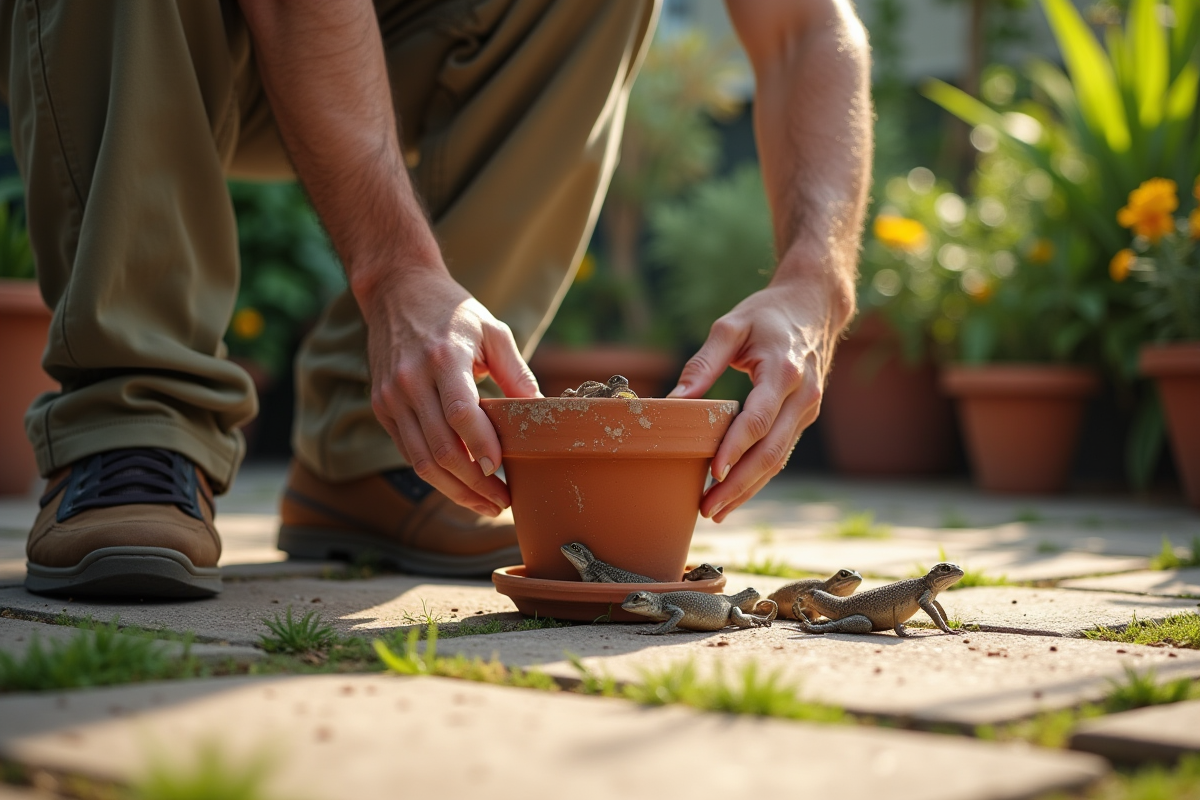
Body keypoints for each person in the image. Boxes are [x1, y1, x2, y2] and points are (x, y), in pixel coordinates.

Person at [2, 0, 870, 598]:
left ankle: (389, 449)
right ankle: (135, 419)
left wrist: (814, 283)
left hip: (390, 46)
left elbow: (807, 29)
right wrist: (395, 271)